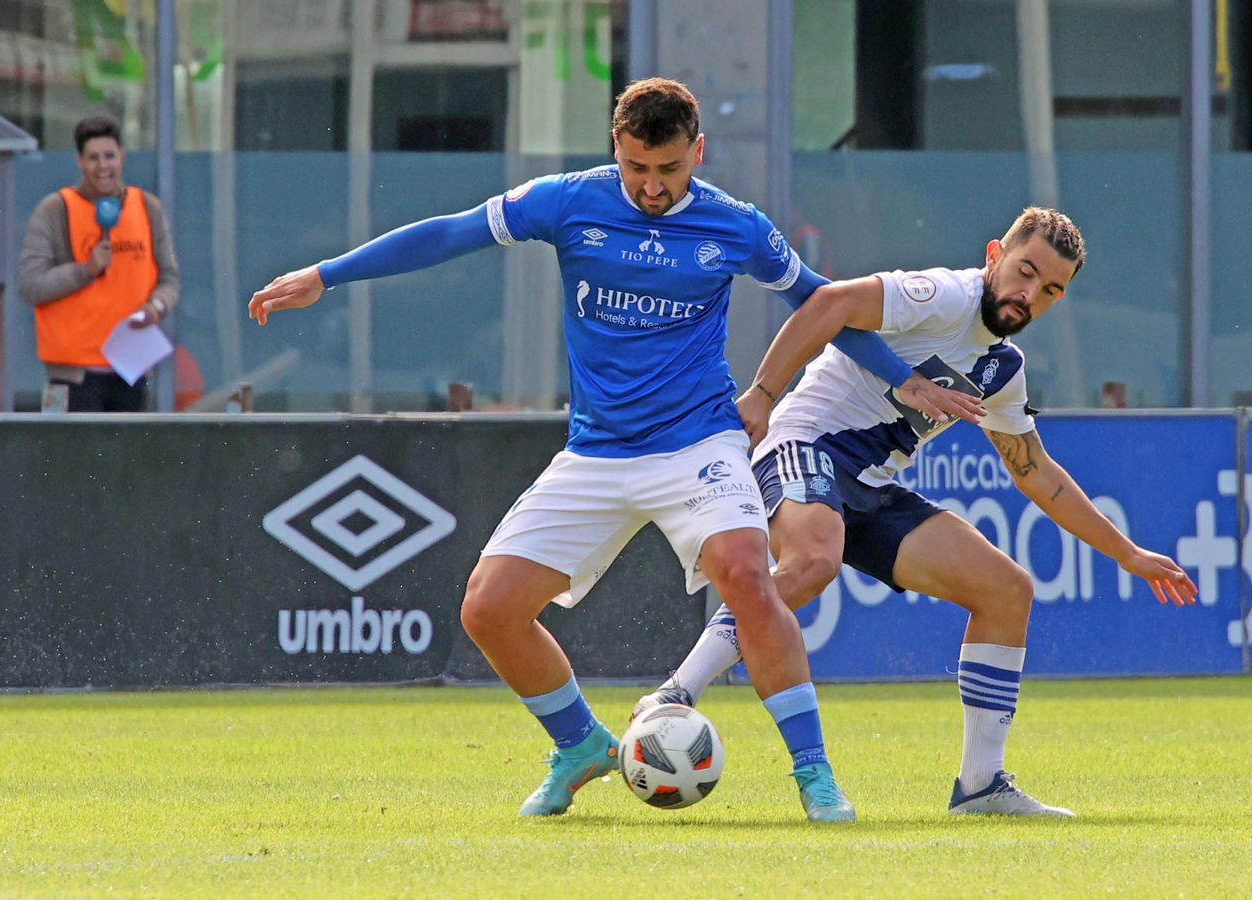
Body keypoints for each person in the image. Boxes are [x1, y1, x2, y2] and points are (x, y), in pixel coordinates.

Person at [247, 78, 983, 821]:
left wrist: (902, 378)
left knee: (745, 573)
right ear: (617, 149)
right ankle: (579, 745)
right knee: (488, 609)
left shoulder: (737, 226)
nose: (652, 186)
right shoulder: (569, 200)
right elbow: (450, 231)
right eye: (637, 169)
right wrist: (326, 275)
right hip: (596, 453)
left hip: (698, 443)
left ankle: (815, 775)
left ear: (697, 152)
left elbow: (825, 304)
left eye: (668, 170)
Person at [632, 207, 1200, 816]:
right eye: (1024, 272)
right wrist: (764, 397)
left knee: (1006, 590)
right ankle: (675, 693)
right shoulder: (943, 296)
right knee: (813, 561)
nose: (1029, 294)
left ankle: (980, 786)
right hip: (806, 444)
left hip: (872, 487)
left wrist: (1130, 553)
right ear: (993, 256)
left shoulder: (1003, 369)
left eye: (1051, 289)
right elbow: (827, 305)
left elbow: (1033, 472)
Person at [18, 115, 179, 412]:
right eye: (93, 158)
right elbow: (30, 287)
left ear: (122, 156)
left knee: (126, 458)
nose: (103, 166)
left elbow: (169, 280)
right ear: (79, 161)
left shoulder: (148, 208)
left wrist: (156, 307)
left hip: (131, 366)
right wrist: (85, 270)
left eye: (109, 156)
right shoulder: (55, 210)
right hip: (71, 373)